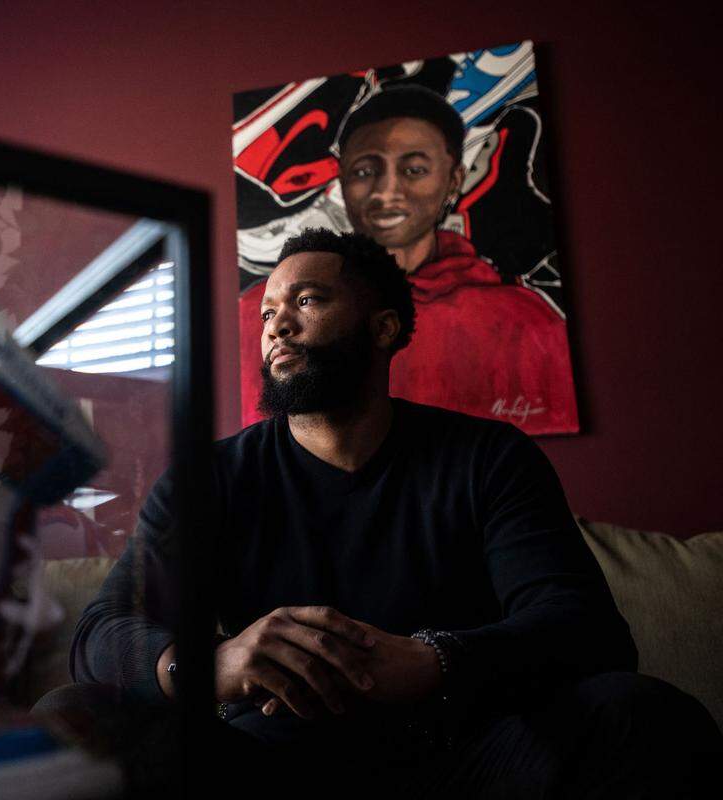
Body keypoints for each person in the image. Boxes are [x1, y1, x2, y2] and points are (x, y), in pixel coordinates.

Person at [62, 229, 721, 796]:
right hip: (272, 765)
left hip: (465, 753)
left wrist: (436, 660)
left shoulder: (487, 459)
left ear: (383, 327)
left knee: (645, 715)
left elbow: (587, 632)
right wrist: (211, 666)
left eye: (307, 300)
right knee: (75, 721)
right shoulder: (208, 479)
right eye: (267, 313)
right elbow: (100, 635)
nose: (277, 326)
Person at [336, 84, 578, 434]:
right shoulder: (280, 313)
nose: (386, 192)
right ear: (341, 180)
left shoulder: (522, 320)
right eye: (363, 172)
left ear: (454, 181)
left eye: (414, 170)